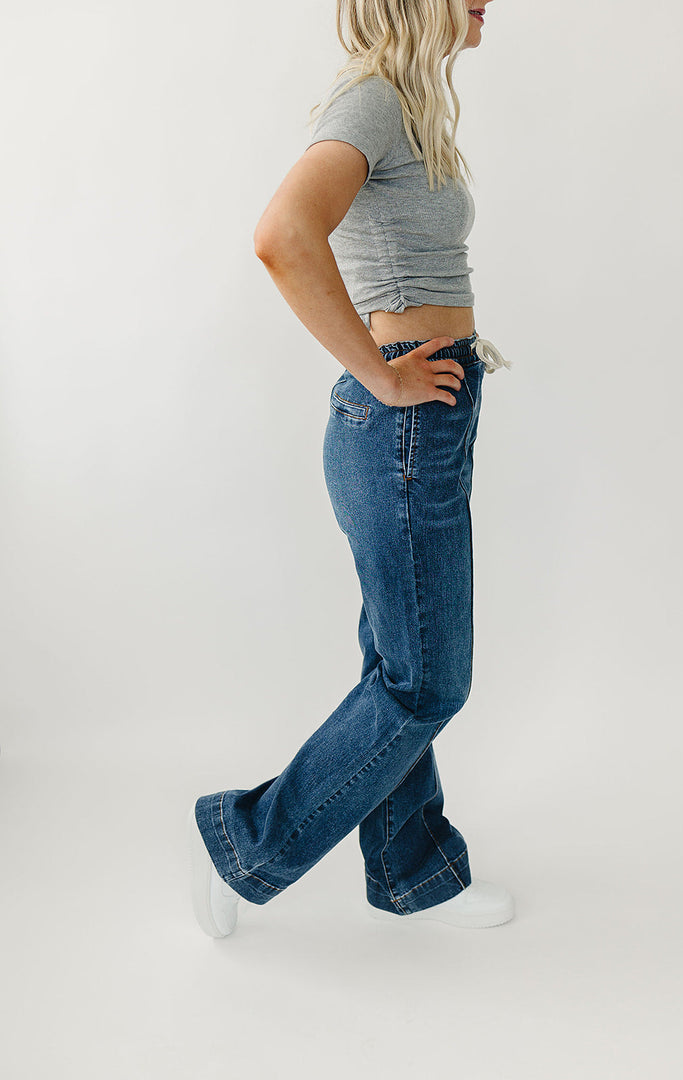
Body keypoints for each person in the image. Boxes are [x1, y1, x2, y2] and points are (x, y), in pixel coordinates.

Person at [188, 0, 515, 938]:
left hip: (423, 423)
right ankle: (245, 844)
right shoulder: (370, 100)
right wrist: (382, 375)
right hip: (401, 427)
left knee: (397, 661)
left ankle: (412, 871)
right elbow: (282, 233)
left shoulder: (404, 104)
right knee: (426, 682)